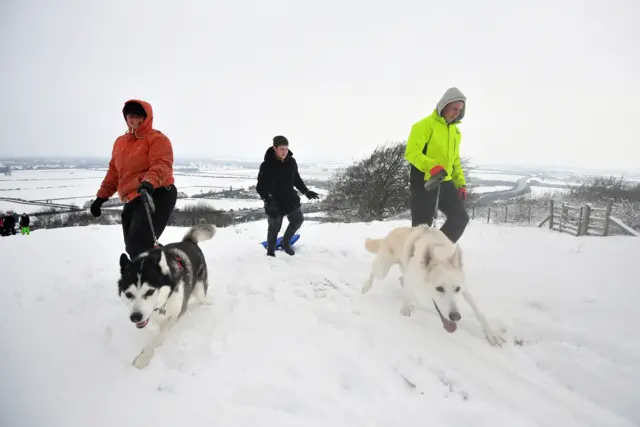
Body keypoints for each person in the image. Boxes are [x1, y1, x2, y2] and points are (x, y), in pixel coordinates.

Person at [90, 99, 177, 259]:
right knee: (132, 246)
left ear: (147, 117)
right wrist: (101, 197)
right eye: (130, 115)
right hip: (133, 196)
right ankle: (162, 266)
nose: (134, 119)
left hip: (157, 193)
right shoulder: (120, 142)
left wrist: (149, 181)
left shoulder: (157, 139)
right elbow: (114, 172)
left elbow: (162, 163)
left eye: (139, 116)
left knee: (139, 243)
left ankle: (161, 275)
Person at [404, 87, 470, 243]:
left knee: (460, 218)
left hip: (445, 181)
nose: (456, 112)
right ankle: (415, 258)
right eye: (454, 108)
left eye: (460, 109)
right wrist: (431, 166)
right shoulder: (424, 125)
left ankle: (437, 249)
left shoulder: (455, 132)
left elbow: (455, 160)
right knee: (422, 227)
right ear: (444, 105)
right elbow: (412, 153)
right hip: (424, 181)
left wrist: (461, 183)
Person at [256, 135, 319, 257]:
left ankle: (285, 242)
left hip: (290, 199)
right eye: (281, 149)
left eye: (286, 149)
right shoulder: (267, 165)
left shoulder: (291, 162)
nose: (284, 152)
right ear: (274, 148)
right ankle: (270, 252)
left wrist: (306, 191)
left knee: (298, 220)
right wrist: (268, 202)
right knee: (274, 228)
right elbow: (261, 188)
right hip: (274, 202)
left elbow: (296, 179)